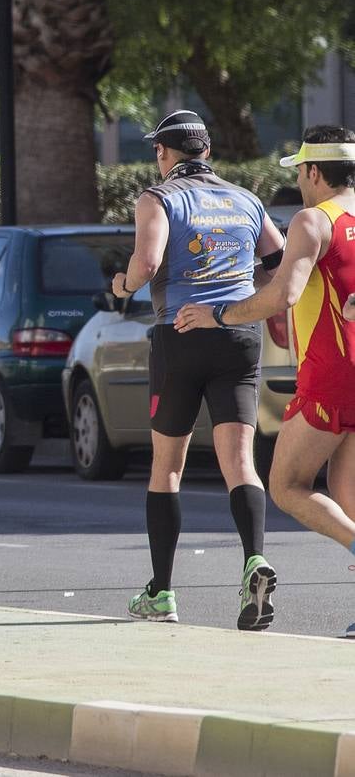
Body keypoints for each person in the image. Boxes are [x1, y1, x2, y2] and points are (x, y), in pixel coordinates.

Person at [111, 110, 286, 630]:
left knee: (167, 467)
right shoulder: (246, 199)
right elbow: (277, 264)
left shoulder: (158, 197)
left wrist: (122, 284)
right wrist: (240, 289)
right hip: (239, 335)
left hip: (180, 335)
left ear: (163, 154)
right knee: (240, 461)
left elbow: (147, 264)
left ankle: (162, 592)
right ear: (207, 151)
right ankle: (254, 559)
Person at [176, 125, 355, 634]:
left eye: (300, 171)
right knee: (345, 491)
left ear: (314, 171)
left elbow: (283, 295)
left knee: (286, 485)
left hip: (332, 372)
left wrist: (218, 314)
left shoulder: (313, 221)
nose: (298, 181)